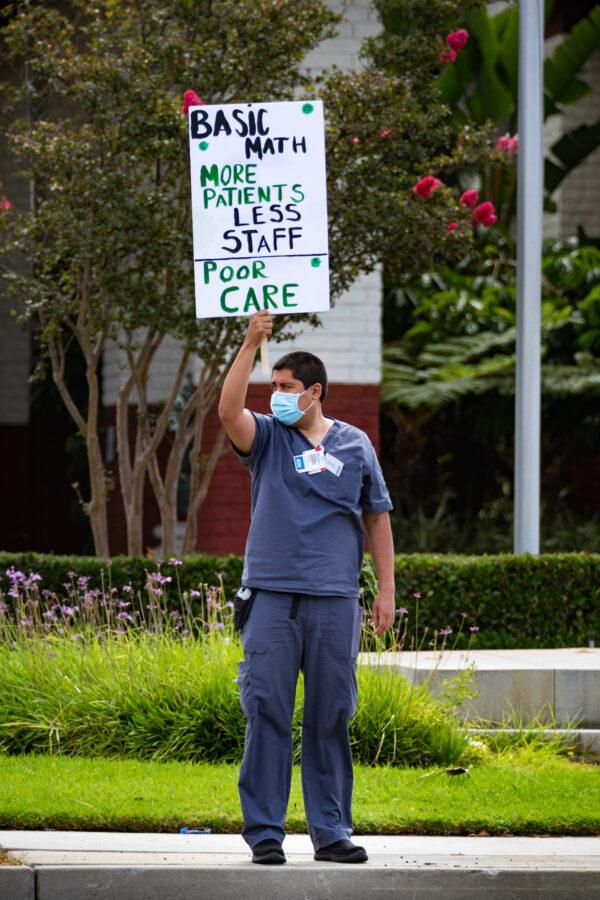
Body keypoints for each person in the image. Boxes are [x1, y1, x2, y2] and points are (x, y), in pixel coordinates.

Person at [218, 310, 396, 866]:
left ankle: (332, 832)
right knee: (266, 710)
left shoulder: (355, 444)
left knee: (330, 715)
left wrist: (386, 591)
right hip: (270, 598)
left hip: (334, 601)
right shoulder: (268, 439)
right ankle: (266, 834)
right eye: (273, 387)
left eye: (287, 387)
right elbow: (227, 410)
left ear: (315, 391)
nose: (277, 396)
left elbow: (378, 519)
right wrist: (251, 341)